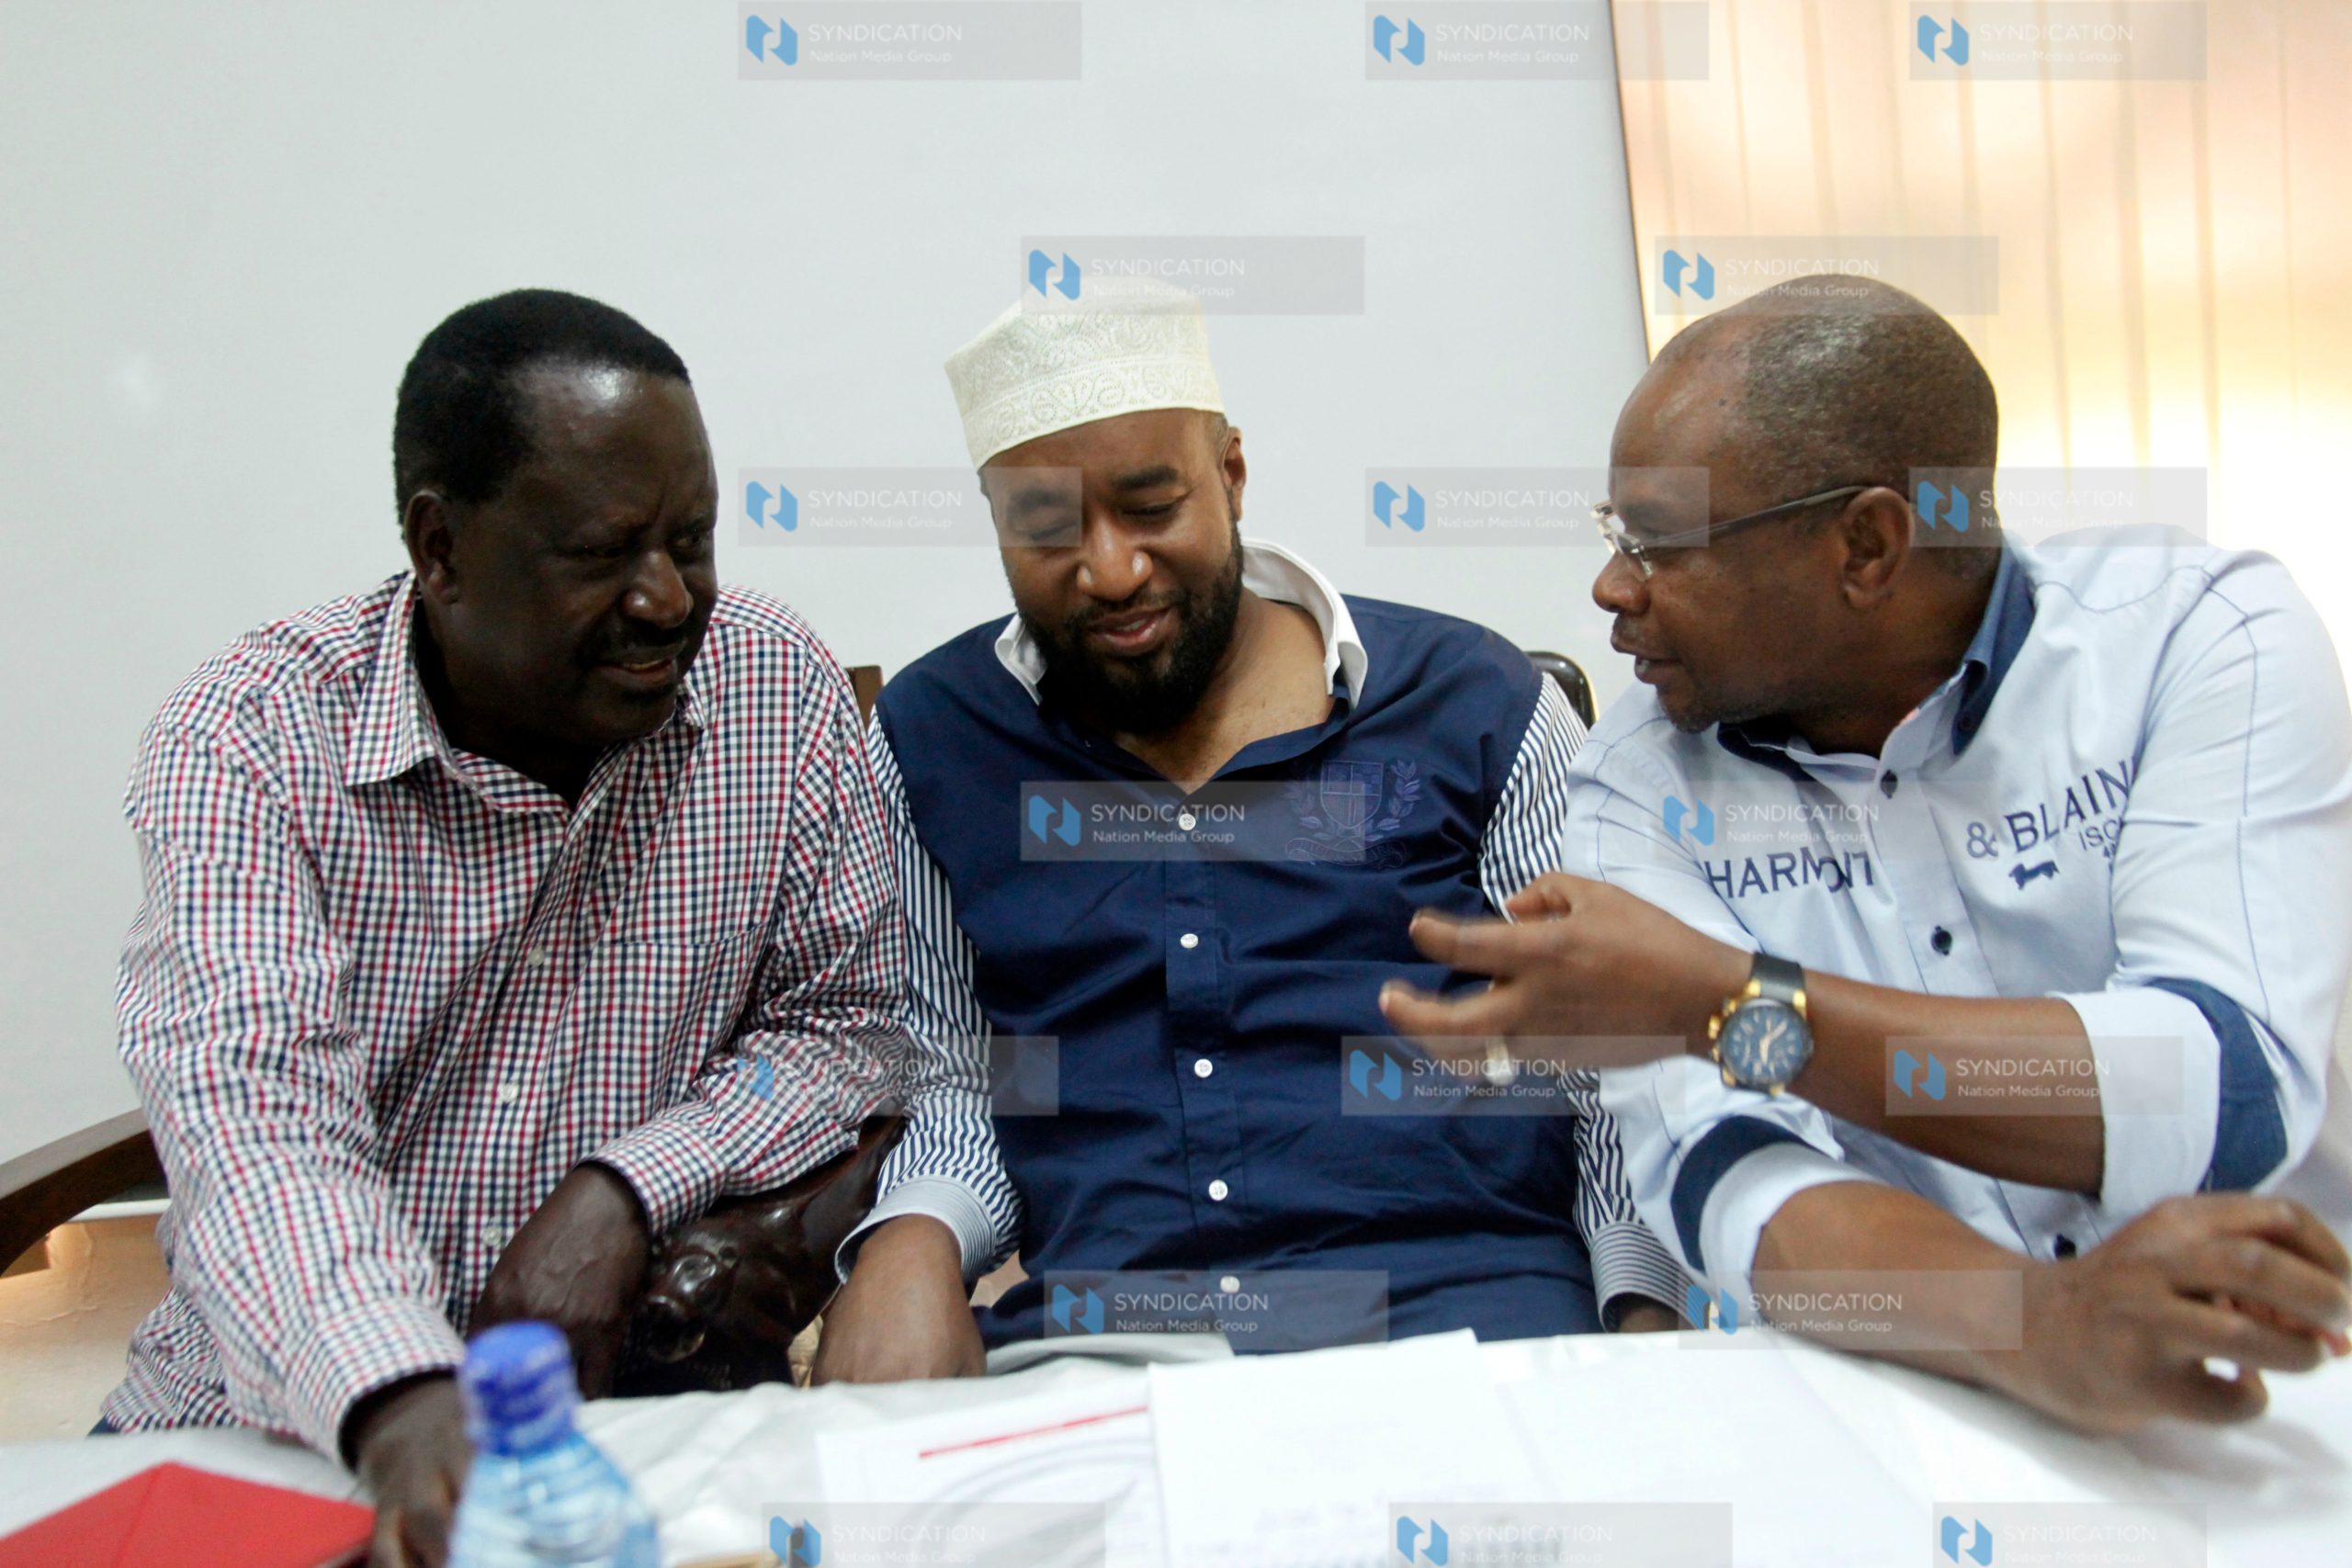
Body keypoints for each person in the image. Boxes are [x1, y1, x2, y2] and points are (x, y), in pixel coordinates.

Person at [1381, 276, 2352, 1432]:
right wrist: (2034, 1325)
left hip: (2291, 1372)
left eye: (1656, 542)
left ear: (1867, 546)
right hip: (1918, 1388)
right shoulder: (1635, 787)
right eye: (1613, 535)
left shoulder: (2196, 640)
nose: (1612, 588)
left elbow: (2219, 1092)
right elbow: (1735, 1176)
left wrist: (1725, 1004)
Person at [97, 290, 911, 1564]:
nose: (665, 601)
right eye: (602, 552)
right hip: (294, 1424)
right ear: (441, 546)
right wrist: (403, 1400)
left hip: (632, 1430)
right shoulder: (251, 742)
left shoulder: (772, 685)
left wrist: (622, 1191)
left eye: (691, 540)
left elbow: (850, 1028)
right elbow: (256, 1127)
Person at [810, 281, 1687, 1382]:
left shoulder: (1472, 702)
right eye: (1045, 526)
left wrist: (1644, 1321)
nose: (1111, 569)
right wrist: (912, 1241)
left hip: (1469, 1329)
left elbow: (1604, 1053)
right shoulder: (935, 739)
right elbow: (960, 1077)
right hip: (1109, 1345)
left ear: (1229, 474)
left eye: (1149, 505)